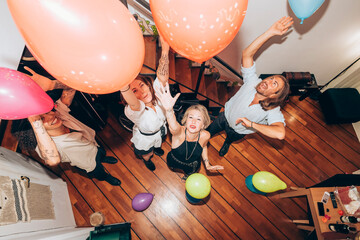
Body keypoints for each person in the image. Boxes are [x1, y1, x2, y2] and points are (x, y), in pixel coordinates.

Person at [14, 67, 121, 186]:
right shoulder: (46, 145)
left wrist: (51, 85)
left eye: (48, 111)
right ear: (35, 127)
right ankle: (106, 177)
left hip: (94, 145)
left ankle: (103, 158)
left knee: (101, 153)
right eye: (41, 119)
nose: (51, 116)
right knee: (99, 173)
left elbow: (71, 87)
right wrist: (33, 118)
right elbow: (53, 160)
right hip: (89, 163)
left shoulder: (58, 111)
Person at [207, 16, 293, 157]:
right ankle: (204, 140)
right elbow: (247, 54)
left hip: (238, 131)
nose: (268, 81)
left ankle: (227, 142)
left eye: (274, 84)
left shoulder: (272, 110)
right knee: (208, 131)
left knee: (230, 138)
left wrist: (252, 125)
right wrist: (270, 33)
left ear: (275, 95)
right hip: (223, 117)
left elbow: (280, 133)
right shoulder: (253, 81)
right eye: (271, 78)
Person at [120, 36, 170, 171]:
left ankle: (156, 148)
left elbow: (162, 78)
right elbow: (135, 103)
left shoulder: (157, 97)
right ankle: (147, 160)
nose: (142, 92)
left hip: (160, 132)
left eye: (142, 85)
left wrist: (165, 50)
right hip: (146, 139)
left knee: (158, 145)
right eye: (134, 91)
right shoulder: (135, 110)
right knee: (147, 153)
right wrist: (123, 84)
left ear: (148, 85)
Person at [156, 83, 224, 179]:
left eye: (199, 119)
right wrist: (169, 111)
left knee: (189, 175)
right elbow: (173, 126)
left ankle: (186, 176)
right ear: (185, 121)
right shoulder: (179, 133)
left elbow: (204, 146)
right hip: (174, 161)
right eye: (190, 117)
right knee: (172, 167)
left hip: (192, 166)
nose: (193, 121)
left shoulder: (206, 135)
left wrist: (207, 163)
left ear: (203, 125)